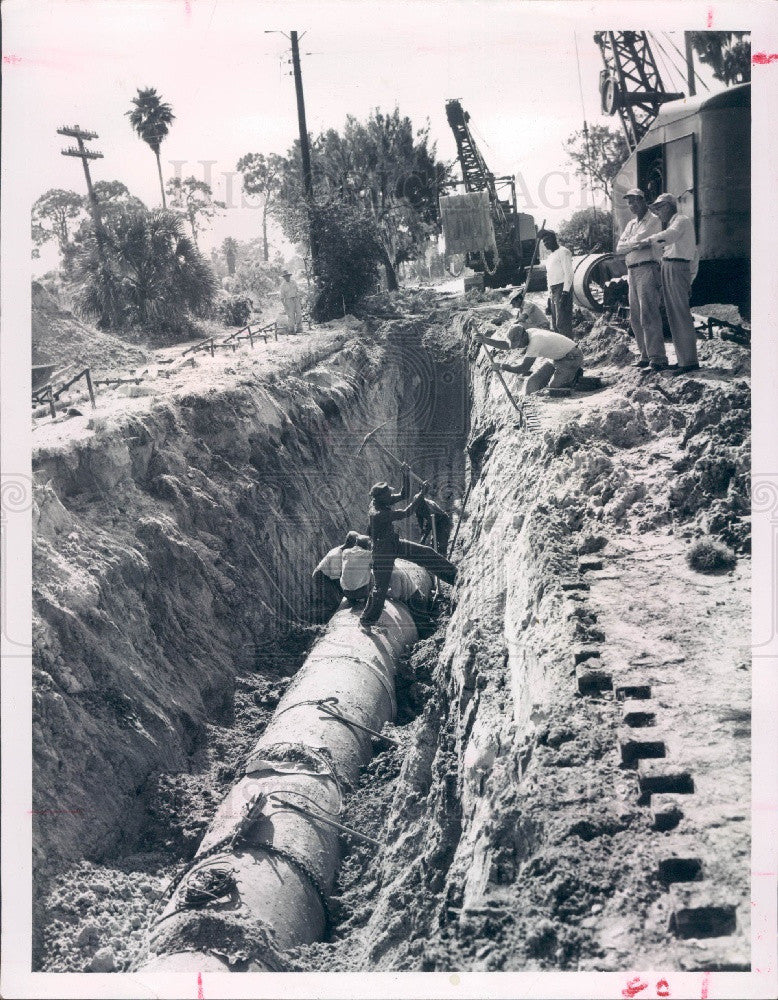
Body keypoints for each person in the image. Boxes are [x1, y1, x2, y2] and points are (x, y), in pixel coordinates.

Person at [360, 465, 457, 630]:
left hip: (393, 543)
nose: (392, 495)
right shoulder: (378, 513)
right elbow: (406, 512)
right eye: (389, 494)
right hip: (382, 552)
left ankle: (454, 576)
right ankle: (366, 621)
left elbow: (404, 495)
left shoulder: (379, 500)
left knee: (426, 553)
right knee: (380, 588)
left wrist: (405, 475)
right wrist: (421, 495)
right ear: (382, 498)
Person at [642, 193, 700, 374]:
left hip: (676, 267)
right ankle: (684, 359)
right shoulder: (677, 222)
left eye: (658, 209)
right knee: (674, 315)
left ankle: (689, 361)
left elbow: (670, 236)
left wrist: (648, 240)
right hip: (671, 267)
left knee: (680, 314)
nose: (658, 214)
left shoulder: (681, 221)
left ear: (667, 206)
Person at [615, 187, 666, 370]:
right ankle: (645, 355)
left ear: (643, 201)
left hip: (647, 268)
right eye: (629, 202)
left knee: (649, 314)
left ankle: (658, 357)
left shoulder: (653, 221)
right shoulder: (630, 225)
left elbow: (643, 240)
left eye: (635, 201)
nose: (631, 205)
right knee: (635, 316)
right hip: (632, 271)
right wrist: (633, 244)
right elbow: (620, 247)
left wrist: (633, 244)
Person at [476, 324, 584, 394]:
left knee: (555, 388)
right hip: (557, 358)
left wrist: (502, 366)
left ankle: (574, 376)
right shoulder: (528, 332)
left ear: (523, 337)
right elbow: (507, 345)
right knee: (532, 383)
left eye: (518, 344)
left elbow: (523, 368)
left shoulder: (535, 342)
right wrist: (486, 340)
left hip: (572, 357)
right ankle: (569, 375)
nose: (518, 347)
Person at [540, 231, 574, 338]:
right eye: (543, 241)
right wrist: (548, 299)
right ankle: (561, 350)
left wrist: (565, 293)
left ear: (554, 239)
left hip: (562, 288)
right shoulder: (550, 257)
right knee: (555, 323)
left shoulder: (563, 252)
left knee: (562, 323)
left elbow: (569, 274)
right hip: (553, 290)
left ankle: (570, 350)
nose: (545, 243)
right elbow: (549, 278)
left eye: (547, 240)